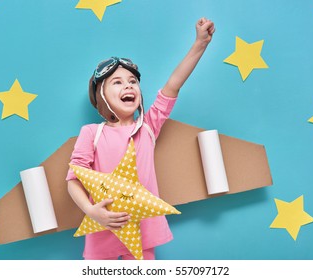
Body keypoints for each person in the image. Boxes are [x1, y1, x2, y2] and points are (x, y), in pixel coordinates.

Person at [66, 17, 215, 260]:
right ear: (102, 95)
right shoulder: (91, 133)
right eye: (117, 82)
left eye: (133, 81)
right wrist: (92, 212)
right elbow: (73, 179)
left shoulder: (148, 127)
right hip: (102, 229)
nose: (128, 86)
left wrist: (200, 43)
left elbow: (173, 86)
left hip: (142, 231)